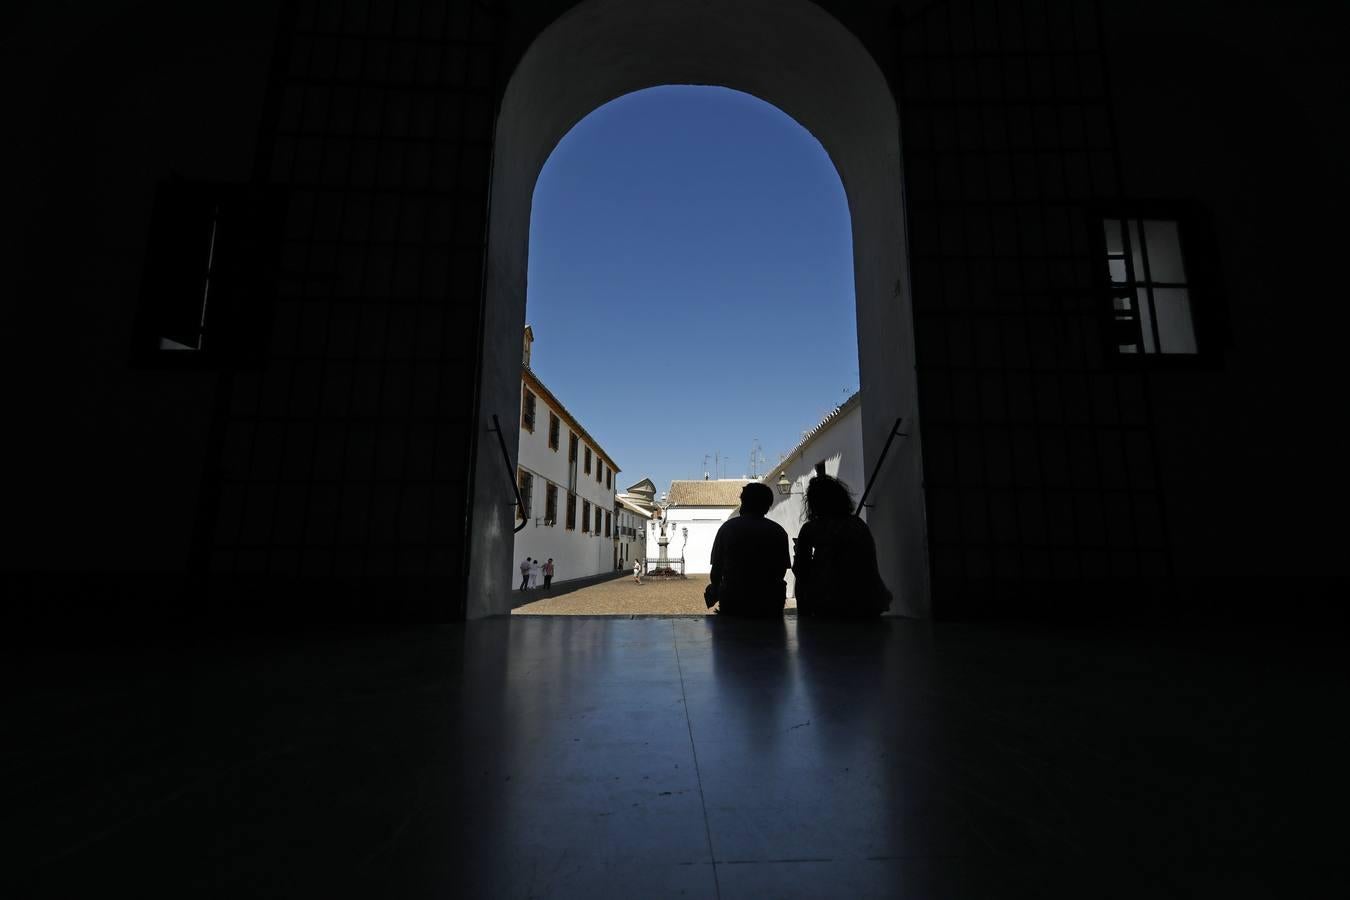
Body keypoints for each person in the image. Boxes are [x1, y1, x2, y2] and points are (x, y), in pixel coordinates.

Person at [792, 475, 892, 618]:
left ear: (813, 502)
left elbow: (801, 568)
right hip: (868, 600)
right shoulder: (858, 524)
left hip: (830, 602)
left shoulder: (812, 528)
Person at [708, 482, 790, 617]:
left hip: (734, 602)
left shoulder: (727, 529)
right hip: (769, 603)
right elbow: (780, 571)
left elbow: (716, 570)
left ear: (744, 502)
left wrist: (715, 588)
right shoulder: (778, 532)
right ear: (767, 506)